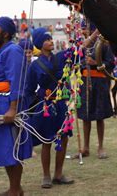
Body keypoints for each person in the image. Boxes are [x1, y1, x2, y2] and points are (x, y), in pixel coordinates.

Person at [0, 16, 32, 196]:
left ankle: (15, 189)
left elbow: (16, 80)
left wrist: (12, 108)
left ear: (5, 33)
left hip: (6, 108)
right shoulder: (1, 52)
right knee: (5, 150)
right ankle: (14, 188)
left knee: (12, 148)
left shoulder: (13, 51)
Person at [25, 28, 74, 188]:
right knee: (47, 140)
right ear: (40, 43)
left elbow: (79, 49)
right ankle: (46, 176)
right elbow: (29, 88)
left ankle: (58, 174)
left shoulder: (61, 57)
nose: (51, 41)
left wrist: (94, 35)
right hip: (45, 105)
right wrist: (31, 105)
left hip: (60, 103)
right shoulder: (35, 65)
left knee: (63, 138)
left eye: (51, 39)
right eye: (47, 39)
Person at [77, 21, 115, 159]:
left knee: (99, 116)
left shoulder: (103, 44)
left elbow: (111, 62)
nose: (83, 32)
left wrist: (97, 63)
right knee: (85, 117)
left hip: (100, 83)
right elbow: (75, 61)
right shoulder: (80, 46)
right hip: (85, 82)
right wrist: (82, 63)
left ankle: (100, 146)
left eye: (85, 29)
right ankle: (85, 147)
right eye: (81, 29)